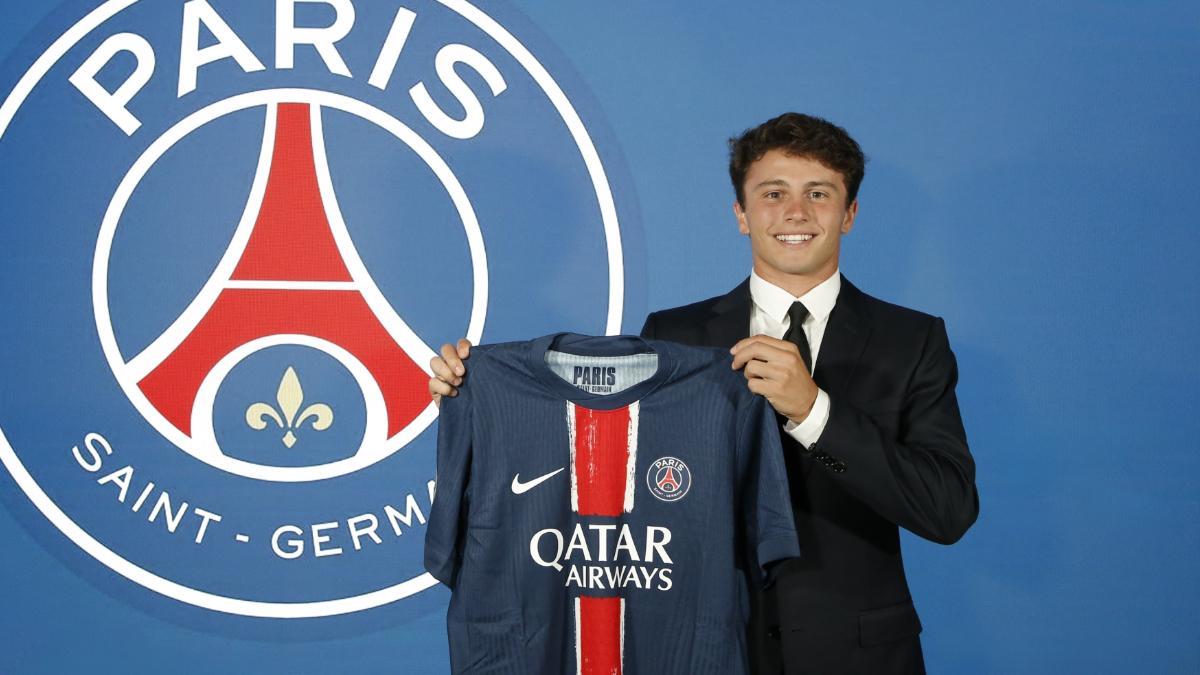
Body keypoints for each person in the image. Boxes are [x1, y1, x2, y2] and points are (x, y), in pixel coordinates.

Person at [428, 112, 978, 674]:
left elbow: (947, 509)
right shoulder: (673, 335)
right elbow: (601, 467)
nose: (795, 212)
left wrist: (814, 412)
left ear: (850, 213)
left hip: (858, 655)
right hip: (699, 648)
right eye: (772, 193)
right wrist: (472, 389)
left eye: (819, 193)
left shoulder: (911, 340)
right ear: (741, 214)